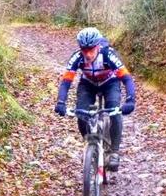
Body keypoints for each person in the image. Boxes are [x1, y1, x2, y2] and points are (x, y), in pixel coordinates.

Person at [54, 27, 135, 171]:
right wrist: (61, 101)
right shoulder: (77, 57)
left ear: (98, 46)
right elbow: (66, 82)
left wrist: (130, 100)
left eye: (91, 50)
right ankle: (89, 144)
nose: (88, 54)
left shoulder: (108, 55)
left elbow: (127, 78)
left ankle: (114, 152)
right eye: (84, 50)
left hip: (110, 83)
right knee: (81, 114)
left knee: (114, 111)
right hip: (88, 84)